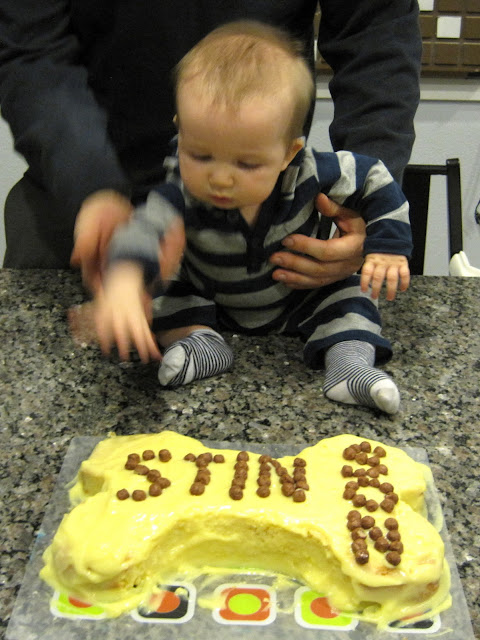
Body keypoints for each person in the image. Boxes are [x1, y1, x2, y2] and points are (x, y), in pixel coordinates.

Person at [95, 21, 412, 415]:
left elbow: (375, 178)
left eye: (246, 164)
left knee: (353, 296)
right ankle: (201, 344)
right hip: (209, 299)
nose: (220, 178)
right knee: (163, 291)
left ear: (288, 153)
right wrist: (124, 281)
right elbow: (143, 228)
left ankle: (348, 366)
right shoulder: (181, 188)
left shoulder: (312, 170)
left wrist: (387, 246)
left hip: (301, 295)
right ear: (181, 130)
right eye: (201, 155)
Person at [0, 1, 421, 290]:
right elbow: (32, 53)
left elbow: (375, 33)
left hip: (267, 225)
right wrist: (90, 184)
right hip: (77, 211)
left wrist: (365, 206)